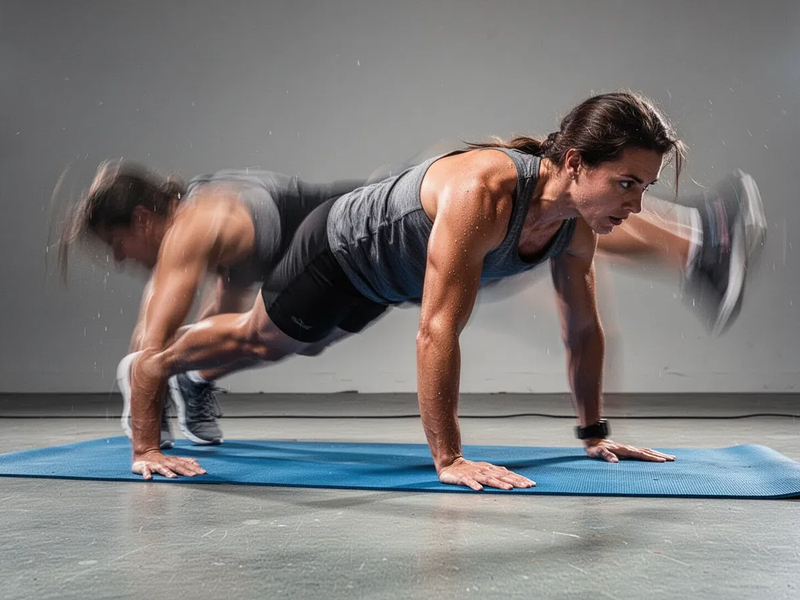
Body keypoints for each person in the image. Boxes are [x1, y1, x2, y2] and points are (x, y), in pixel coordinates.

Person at [65, 92, 765, 490]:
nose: (637, 206)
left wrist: (594, 436)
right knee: (263, 340)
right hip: (339, 250)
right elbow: (437, 330)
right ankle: (153, 371)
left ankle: (184, 372)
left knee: (286, 344)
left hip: (384, 278)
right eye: (627, 184)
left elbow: (582, 330)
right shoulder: (484, 192)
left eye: (645, 186)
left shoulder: (574, 225)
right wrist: (450, 459)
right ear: (576, 163)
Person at [58, 163, 378, 448]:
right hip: (288, 243)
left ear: (142, 218)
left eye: (116, 243)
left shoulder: (194, 227)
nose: (118, 258)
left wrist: (153, 376)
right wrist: (147, 444)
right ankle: (176, 379)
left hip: (335, 233)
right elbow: (163, 338)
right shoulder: (196, 223)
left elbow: (155, 343)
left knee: (299, 341)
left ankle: (184, 378)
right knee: (268, 338)